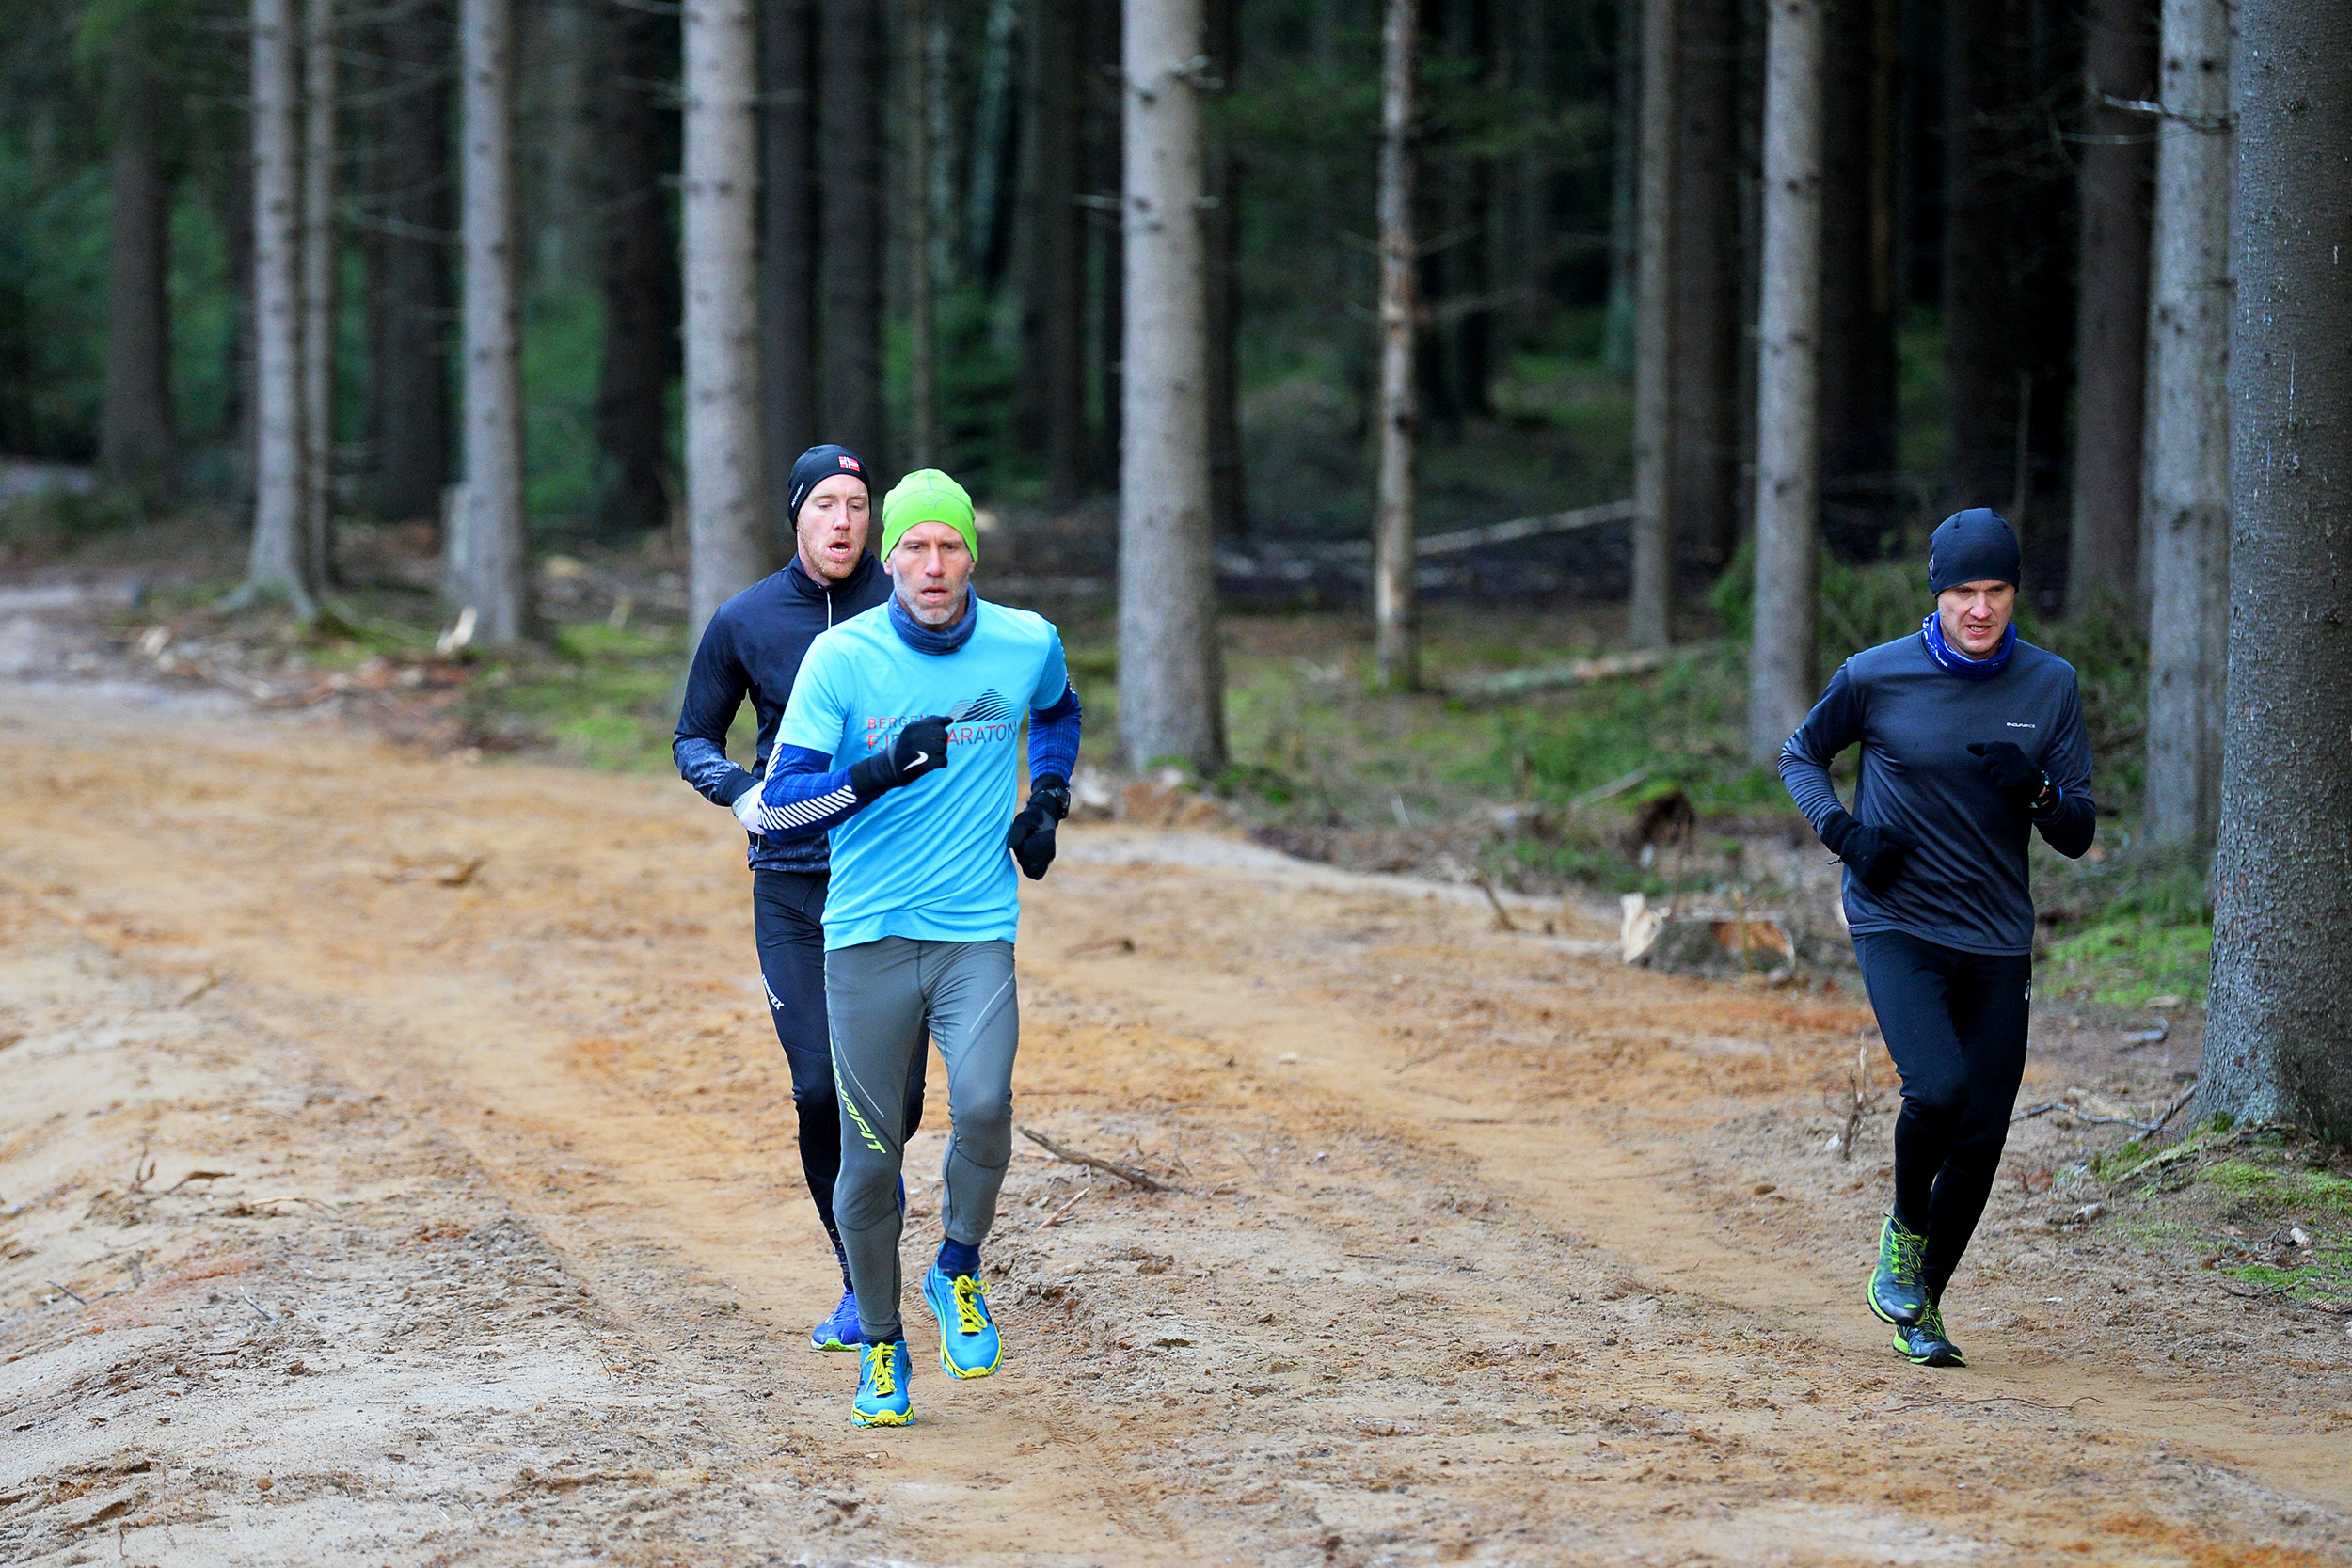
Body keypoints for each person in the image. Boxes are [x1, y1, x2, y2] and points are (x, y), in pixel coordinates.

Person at [737, 467, 1079, 1428]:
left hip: (975, 930)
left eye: (950, 545)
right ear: (888, 559)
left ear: (973, 553)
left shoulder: (1025, 641)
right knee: (872, 1155)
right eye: (915, 547)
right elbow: (780, 816)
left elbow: (1055, 709)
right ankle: (882, 1349)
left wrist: (1045, 799)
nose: (933, 565)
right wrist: (879, 770)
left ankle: (957, 1268)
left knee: (983, 1105)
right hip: (865, 943)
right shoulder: (841, 661)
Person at [1778, 508, 2095, 1368]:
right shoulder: (1877, 675)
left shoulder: (2049, 684)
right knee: (1941, 1089)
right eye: (1964, 591)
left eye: (1996, 590)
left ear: (2014, 593)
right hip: (1898, 918)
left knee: (1984, 1132)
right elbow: (1800, 753)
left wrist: (2036, 792)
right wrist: (1842, 832)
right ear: (1938, 593)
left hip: (1996, 934)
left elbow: (2076, 830)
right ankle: (1903, 1233)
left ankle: (1922, 1304)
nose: (1981, 608)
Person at [672, 443, 927, 1356]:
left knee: (894, 1102)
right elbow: (691, 733)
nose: (843, 518)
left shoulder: (905, 613)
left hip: (893, 882)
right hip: (790, 885)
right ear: (797, 514)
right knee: (822, 1086)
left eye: (857, 503)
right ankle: (863, 1281)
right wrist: (737, 790)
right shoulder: (747, 619)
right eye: (826, 502)